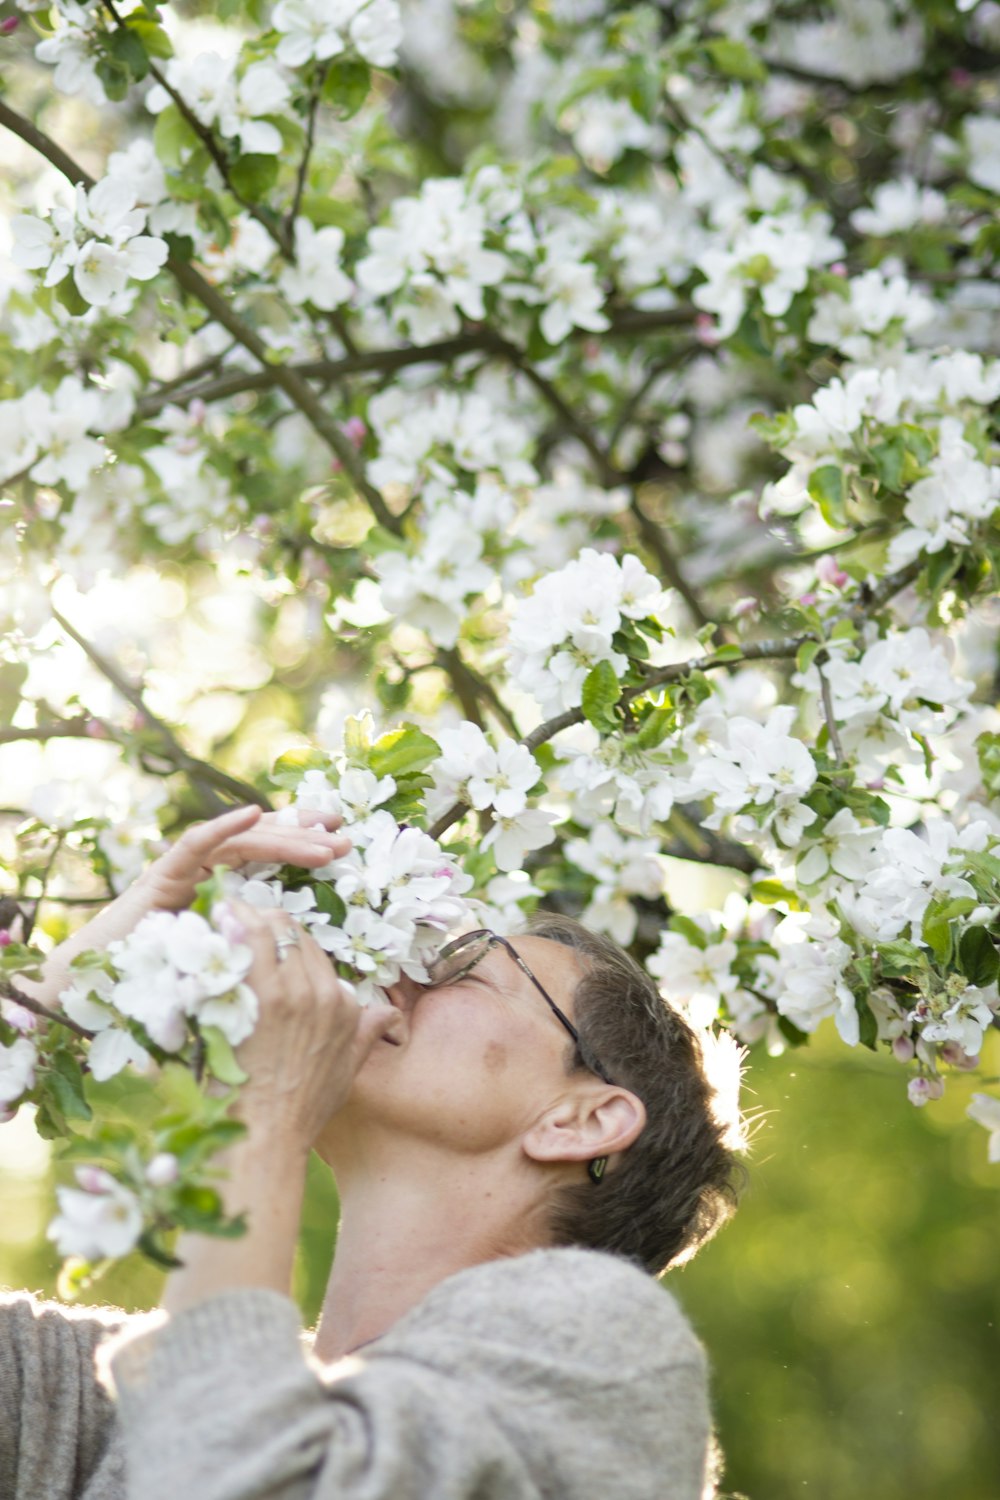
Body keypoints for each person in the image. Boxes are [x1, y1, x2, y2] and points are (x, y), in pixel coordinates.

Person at [0, 803, 744, 1500]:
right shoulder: (123, 1399)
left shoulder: (610, 1352)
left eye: (464, 967)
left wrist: (266, 1110)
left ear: (581, 1121)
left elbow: (239, 1468)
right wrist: (62, 988)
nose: (401, 972)